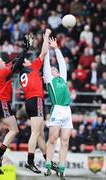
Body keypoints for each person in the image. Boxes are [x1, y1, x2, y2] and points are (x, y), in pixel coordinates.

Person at [0, 35, 33, 174]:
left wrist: (23, 49)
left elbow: (14, 60)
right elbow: (17, 65)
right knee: (14, 130)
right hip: (2, 104)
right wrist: (26, 50)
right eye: (0, 61)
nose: (3, 61)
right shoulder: (2, 71)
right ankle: (0, 154)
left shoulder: (0, 70)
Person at [19, 28, 52, 173]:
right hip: (36, 100)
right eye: (26, 60)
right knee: (35, 133)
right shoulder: (32, 68)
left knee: (39, 134)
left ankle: (48, 161)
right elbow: (44, 52)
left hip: (29, 102)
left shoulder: (22, 75)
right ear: (25, 64)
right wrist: (46, 36)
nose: (27, 60)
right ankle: (30, 161)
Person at [43, 37, 73, 180]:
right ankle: (48, 165)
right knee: (53, 139)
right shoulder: (50, 79)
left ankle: (61, 167)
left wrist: (56, 48)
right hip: (57, 110)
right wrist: (48, 49)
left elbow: (61, 62)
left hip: (67, 111)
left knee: (65, 141)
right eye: (52, 69)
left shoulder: (63, 78)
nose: (54, 69)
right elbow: (47, 65)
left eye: (56, 69)